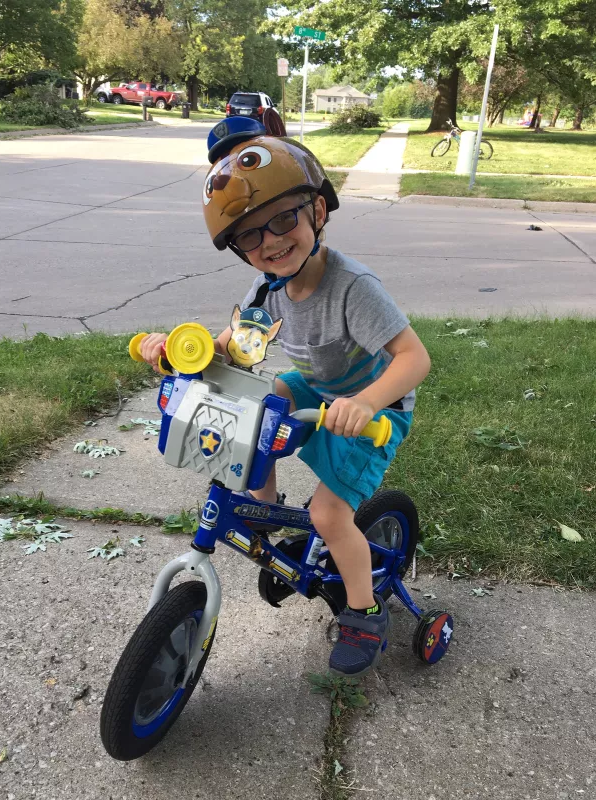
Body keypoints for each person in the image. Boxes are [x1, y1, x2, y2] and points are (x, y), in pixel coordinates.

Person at [139, 117, 431, 677]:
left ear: (317, 213)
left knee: (327, 514)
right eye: (250, 234)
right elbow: (232, 351)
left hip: (372, 409)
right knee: (261, 397)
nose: (270, 240)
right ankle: (265, 510)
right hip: (315, 389)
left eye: (283, 219)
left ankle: (365, 611)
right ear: (239, 249)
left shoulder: (352, 288)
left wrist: (366, 403)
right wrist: (182, 352)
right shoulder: (266, 288)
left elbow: (414, 359)